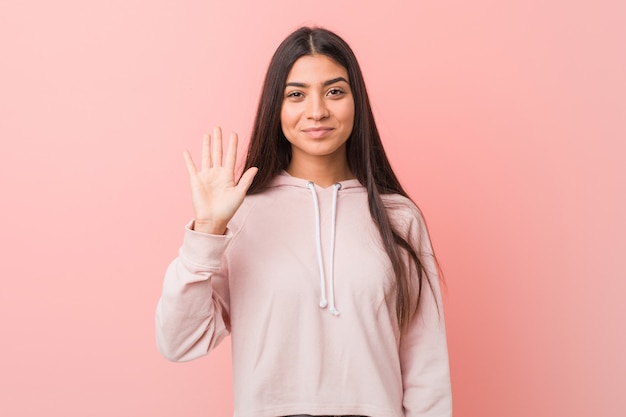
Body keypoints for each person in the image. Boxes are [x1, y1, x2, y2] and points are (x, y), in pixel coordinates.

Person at [155, 26, 452, 417]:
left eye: (334, 91)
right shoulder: (241, 215)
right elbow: (178, 343)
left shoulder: (399, 217)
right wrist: (207, 232)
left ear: (356, 102)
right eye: (296, 94)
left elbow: (425, 361)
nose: (317, 111)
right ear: (275, 107)